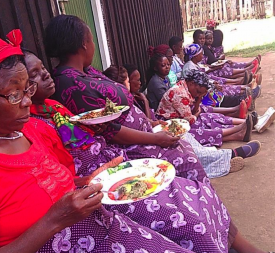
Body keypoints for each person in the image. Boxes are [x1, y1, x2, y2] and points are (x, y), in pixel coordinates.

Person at [0, 30, 247, 253]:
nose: (28, 101)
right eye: (14, 94)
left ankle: (232, 248)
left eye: (26, 89)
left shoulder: (33, 130)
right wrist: (53, 221)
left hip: (101, 231)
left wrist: (92, 180)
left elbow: (59, 181)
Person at [46, 16, 210, 183]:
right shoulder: (71, 84)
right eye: (92, 40)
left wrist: (149, 122)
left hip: (144, 132)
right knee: (187, 161)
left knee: (187, 148)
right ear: (84, 43)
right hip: (130, 146)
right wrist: (156, 138)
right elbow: (110, 131)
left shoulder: (85, 71)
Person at [104, 64, 263, 177]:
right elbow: (190, 119)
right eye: (131, 82)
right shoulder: (116, 109)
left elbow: (146, 120)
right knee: (191, 141)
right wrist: (154, 128)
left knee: (193, 135)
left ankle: (237, 126)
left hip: (161, 127)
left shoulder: (131, 99)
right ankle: (232, 152)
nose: (139, 83)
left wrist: (150, 115)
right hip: (152, 136)